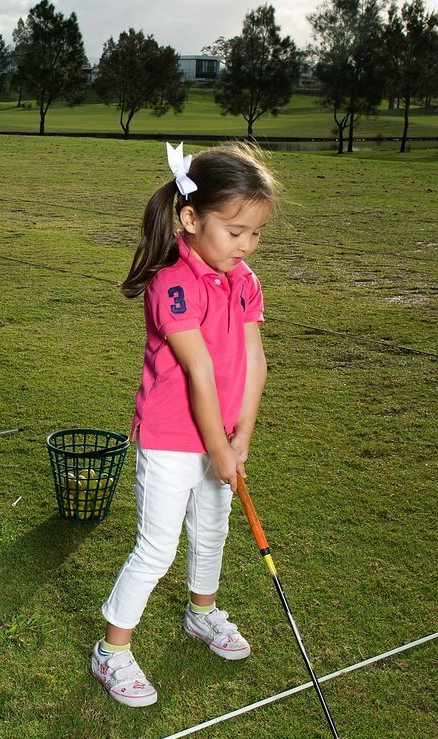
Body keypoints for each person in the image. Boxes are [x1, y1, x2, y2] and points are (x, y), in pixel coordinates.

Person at [90, 143, 277, 707]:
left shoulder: (242, 279)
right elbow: (198, 370)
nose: (245, 245)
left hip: (222, 435)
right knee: (157, 548)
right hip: (172, 438)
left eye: (255, 233)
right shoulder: (173, 282)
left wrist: (241, 435)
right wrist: (221, 448)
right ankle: (112, 650)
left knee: (213, 531)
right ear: (191, 219)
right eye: (235, 230)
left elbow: (254, 359)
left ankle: (202, 614)